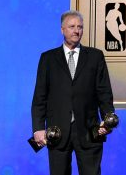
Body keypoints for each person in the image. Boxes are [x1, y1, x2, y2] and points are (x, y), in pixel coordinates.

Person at [31, 10, 115, 175]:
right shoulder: (47, 58)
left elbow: (104, 93)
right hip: (57, 132)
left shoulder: (95, 56)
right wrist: (38, 128)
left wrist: (107, 120)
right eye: (72, 26)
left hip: (90, 130)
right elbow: (40, 97)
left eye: (80, 27)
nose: (77, 30)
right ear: (62, 29)